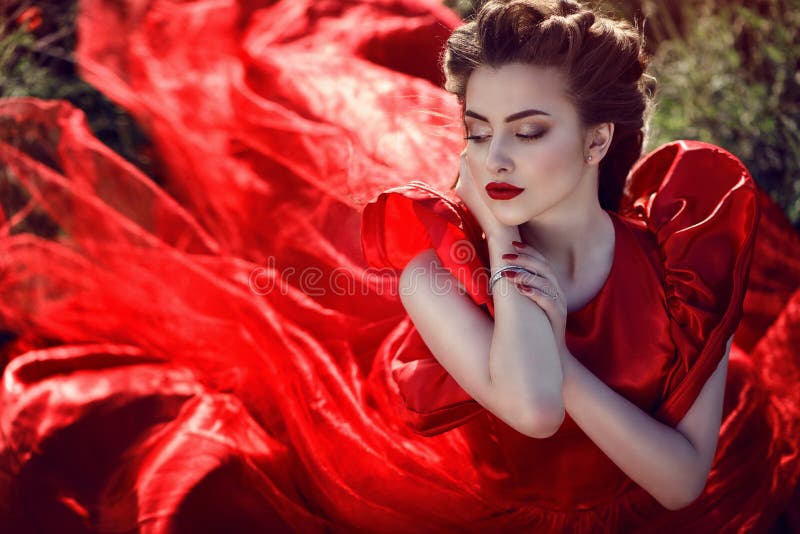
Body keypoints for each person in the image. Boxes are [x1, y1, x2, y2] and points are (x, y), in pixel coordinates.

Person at [0, 0, 798, 532]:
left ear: (597, 142)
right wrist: (511, 258)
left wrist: (559, 344)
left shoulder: (682, 248)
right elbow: (533, 411)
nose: (493, 158)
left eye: (527, 130)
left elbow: (681, 482)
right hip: (465, 497)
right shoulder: (431, 264)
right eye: (478, 129)